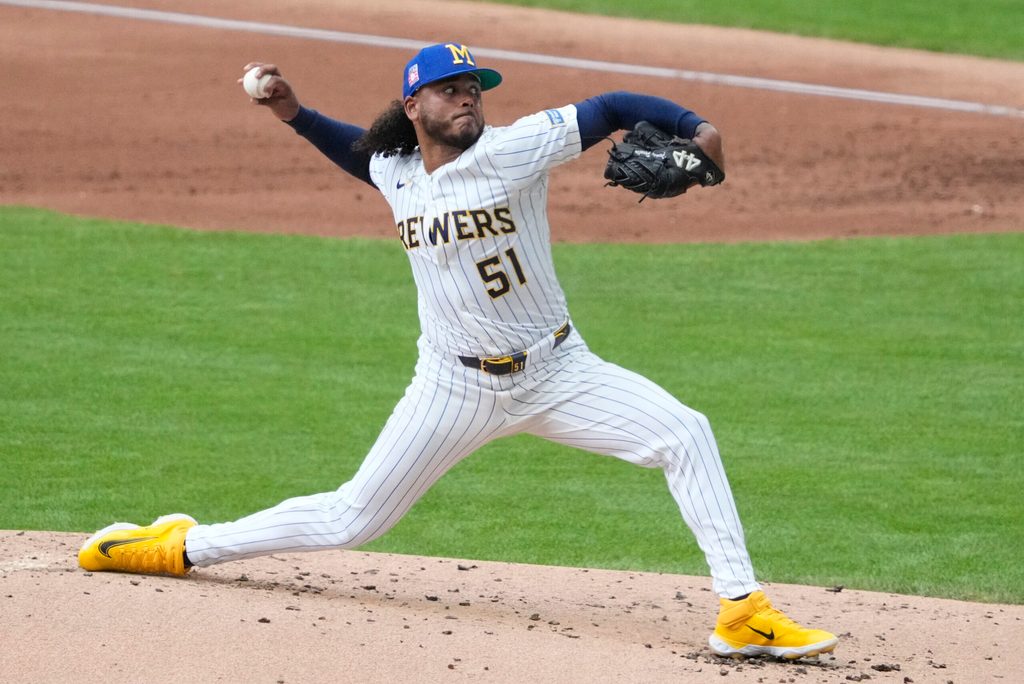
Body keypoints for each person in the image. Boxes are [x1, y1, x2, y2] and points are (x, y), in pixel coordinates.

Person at [78, 42, 838, 660]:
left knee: (686, 433)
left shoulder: (517, 150)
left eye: (474, 87)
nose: (467, 96)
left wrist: (695, 125)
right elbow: (357, 153)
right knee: (352, 520)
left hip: (560, 371)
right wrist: (295, 113)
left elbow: (609, 109)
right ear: (414, 106)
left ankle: (743, 612)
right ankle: (179, 548)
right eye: (448, 88)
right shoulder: (397, 171)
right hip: (452, 388)